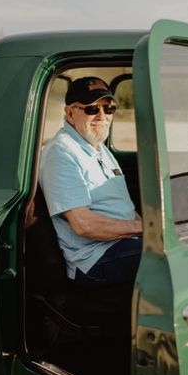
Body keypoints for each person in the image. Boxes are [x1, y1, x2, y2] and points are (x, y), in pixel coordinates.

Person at [39, 76, 142, 286]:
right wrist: (147, 230)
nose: (102, 116)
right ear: (69, 113)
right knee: (182, 258)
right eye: (92, 109)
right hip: (95, 259)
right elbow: (83, 225)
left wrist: (147, 229)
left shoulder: (98, 147)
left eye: (108, 109)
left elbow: (124, 206)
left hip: (122, 244)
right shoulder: (61, 152)